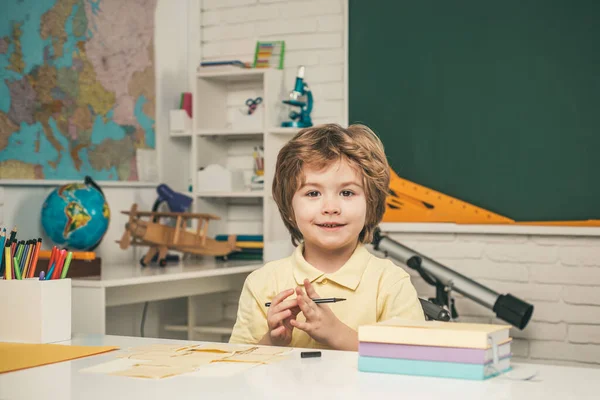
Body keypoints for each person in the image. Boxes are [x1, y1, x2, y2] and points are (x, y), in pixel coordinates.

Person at [229, 123, 424, 351]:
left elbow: (412, 359)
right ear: (289, 209)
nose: (330, 207)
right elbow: (238, 365)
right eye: (313, 193)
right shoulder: (261, 283)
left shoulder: (390, 283)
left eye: (347, 192)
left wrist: (338, 335)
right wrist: (273, 342)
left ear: (370, 205)